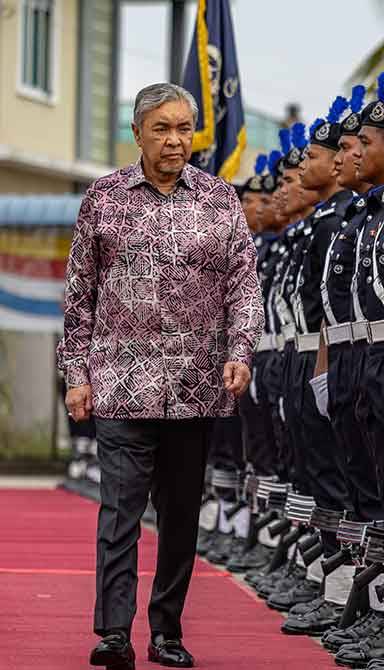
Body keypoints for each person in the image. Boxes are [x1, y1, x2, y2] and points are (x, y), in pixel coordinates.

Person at [59, 82, 263, 670]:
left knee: (178, 519)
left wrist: (240, 350)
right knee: (119, 512)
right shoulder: (102, 199)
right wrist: (77, 375)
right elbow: (80, 297)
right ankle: (114, 633)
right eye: (162, 129)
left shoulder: (220, 200)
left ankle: (167, 631)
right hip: (120, 385)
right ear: (138, 133)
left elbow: (242, 284)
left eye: (183, 129)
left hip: (194, 388)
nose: (175, 141)